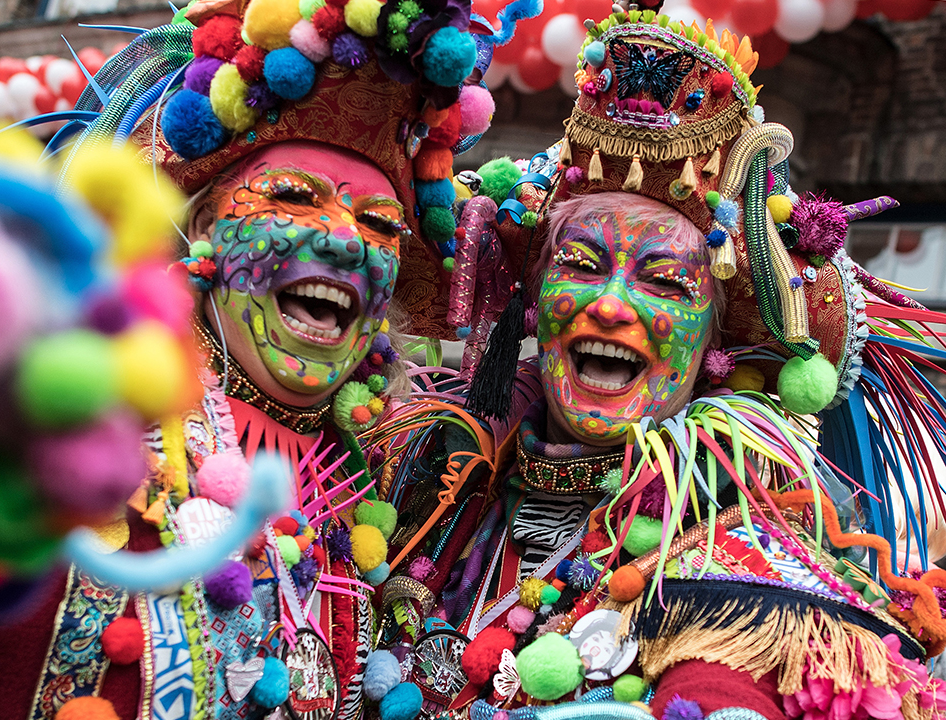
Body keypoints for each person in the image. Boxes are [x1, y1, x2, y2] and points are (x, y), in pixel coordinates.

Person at [0, 0, 538, 718]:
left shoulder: (371, 492)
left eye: (378, 223)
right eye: (295, 198)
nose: (344, 240)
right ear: (201, 228)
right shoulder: (55, 420)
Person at [364, 8, 946, 720]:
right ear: (533, 303)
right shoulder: (424, 480)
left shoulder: (736, 558)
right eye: (580, 266)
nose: (610, 308)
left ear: (713, 342)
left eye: (665, 282)